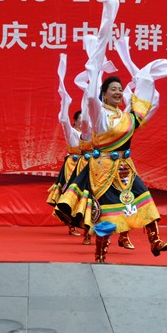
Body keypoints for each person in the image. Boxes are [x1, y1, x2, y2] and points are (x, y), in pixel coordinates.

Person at [56, 0, 167, 263]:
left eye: (120, 89)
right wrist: (99, 49)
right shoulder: (98, 114)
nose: (118, 92)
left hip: (125, 167)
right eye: (113, 89)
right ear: (104, 94)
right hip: (101, 169)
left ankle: (155, 240)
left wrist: (145, 77)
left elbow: (149, 104)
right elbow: (90, 96)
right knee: (106, 212)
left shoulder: (127, 117)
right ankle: (100, 253)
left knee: (144, 198)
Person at [47, 54, 94, 241]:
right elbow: (64, 121)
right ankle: (71, 223)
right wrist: (64, 101)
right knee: (69, 192)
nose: (83, 122)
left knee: (88, 195)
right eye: (80, 119)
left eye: (85, 119)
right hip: (73, 165)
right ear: (75, 122)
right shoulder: (72, 132)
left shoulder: (92, 133)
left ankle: (87, 227)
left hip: (90, 165)